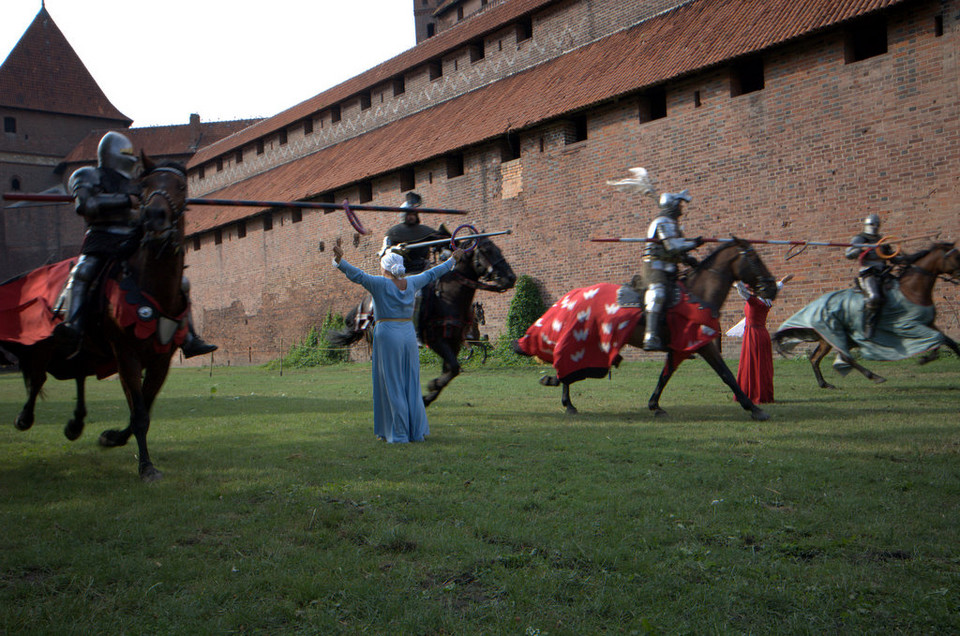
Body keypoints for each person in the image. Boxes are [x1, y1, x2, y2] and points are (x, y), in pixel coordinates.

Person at [55, 131, 216, 358]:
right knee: (82, 272)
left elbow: (148, 207)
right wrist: (124, 200)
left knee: (180, 281)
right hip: (101, 239)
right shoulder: (86, 175)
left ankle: (188, 336)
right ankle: (73, 326)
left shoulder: (136, 182)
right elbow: (86, 205)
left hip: (132, 240)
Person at [332, 237, 463, 443]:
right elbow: (432, 273)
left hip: (387, 334)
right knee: (410, 382)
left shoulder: (379, 283)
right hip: (408, 334)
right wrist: (452, 260)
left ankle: (399, 433)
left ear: (385, 268)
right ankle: (415, 432)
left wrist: (339, 261)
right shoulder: (411, 282)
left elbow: (357, 275)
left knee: (392, 383)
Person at [640, 190, 703, 351]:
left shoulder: (673, 225)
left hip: (671, 269)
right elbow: (672, 246)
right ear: (672, 206)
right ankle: (650, 336)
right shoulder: (662, 222)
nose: (681, 208)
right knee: (658, 293)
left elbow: (677, 251)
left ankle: (681, 339)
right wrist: (694, 243)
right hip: (655, 268)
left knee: (685, 296)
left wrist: (689, 259)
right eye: (679, 205)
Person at [729, 275, 792, 403]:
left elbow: (741, 289)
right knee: (761, 364)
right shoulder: (767, 300)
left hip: (753, 335)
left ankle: (752, 393)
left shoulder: (753, 300)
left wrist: (736, 276)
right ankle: (761, 393)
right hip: (761, 333)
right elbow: (776, 288)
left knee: (751, 363)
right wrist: (783, 281)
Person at [844, 213, 900, 339]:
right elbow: (848, 254)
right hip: (868, 271)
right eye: (872, 224)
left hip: (883, 271)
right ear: (867, 225)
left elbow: (892, 257)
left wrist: (901, 257)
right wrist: (860, 249)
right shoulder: (860, 238)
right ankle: (869, 325)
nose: (874, 227)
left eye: (877, 224)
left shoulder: (882, 241)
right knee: (874, 296)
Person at [381, 192, 440, 274]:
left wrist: (445, 245)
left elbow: (439, 241)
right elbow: (384, 253)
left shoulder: (425, 231)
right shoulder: (394, 232)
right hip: (403, 271)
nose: (411, 217)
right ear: (403, 215)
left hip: (424, 268)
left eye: (413, 214)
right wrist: (396, 249)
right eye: (409, 214)